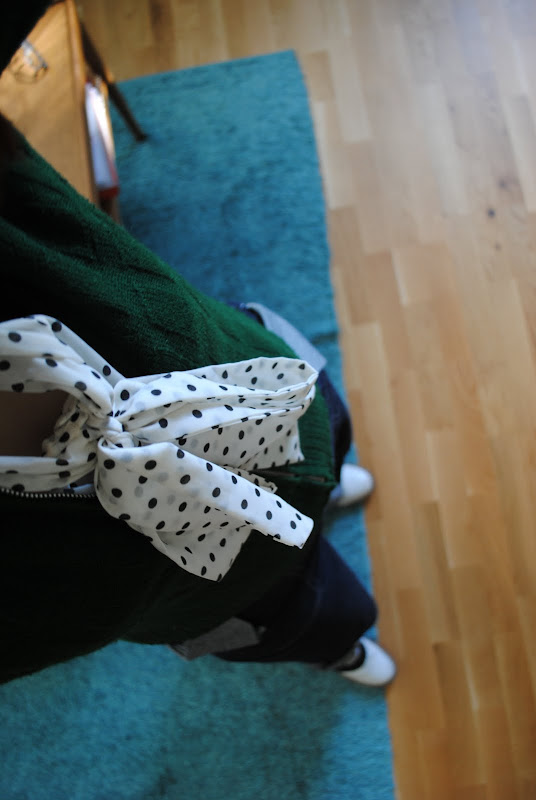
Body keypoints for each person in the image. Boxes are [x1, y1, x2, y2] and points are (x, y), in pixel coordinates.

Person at [0, 1, 395, 688]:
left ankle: (323, 492)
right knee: (298, 616)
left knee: (324, 433)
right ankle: (338, 646)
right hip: (197, 584)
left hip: (242, 375)